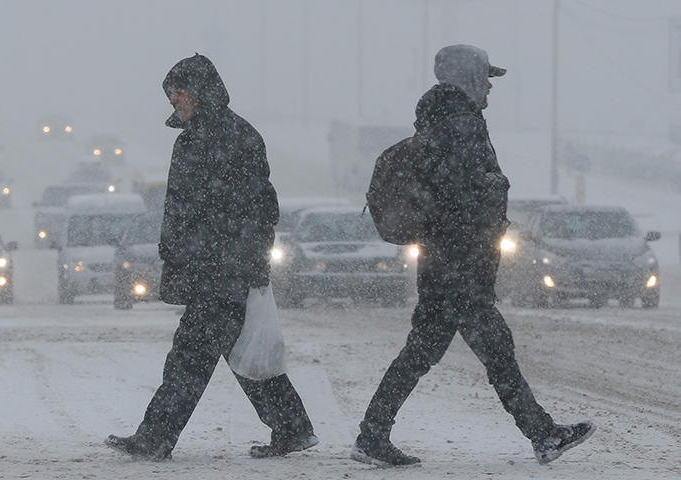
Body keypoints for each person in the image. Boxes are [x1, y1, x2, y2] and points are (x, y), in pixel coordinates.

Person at [351, 45, 595, 467]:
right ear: (466, 78)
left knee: (422, 354)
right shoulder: (460, 126)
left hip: (446, 263)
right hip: (459, 268)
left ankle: (371, 436)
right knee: (494, 351)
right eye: (484, 78)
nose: (488, 87)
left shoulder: (442, 122)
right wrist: (481, 230)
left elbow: (452, 197)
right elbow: (464, 200)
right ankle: (543, 435)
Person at [106, 53, 317, 461]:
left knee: (190, 357)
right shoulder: (200, 139)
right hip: (213, 266)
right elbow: (189, 209)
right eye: (171, 97)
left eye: (180, 94)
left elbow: (258, 206)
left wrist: (236, 257)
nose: (175, 102)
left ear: (201, 93)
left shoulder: (232, 138)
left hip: (223, 268)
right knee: (241, 353)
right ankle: (293, 428)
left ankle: (154, 439)